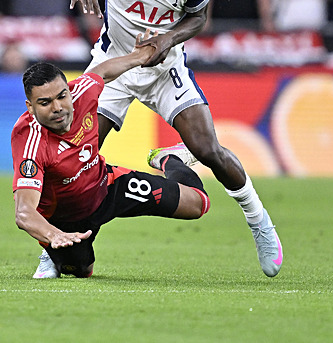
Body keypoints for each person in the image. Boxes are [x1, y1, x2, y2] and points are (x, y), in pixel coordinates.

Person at [43, 0, 284, 278]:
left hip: (165, 70)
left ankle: (260, 223)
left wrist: (166, 40)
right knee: (75, 162)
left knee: (208, 149)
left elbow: (198, 17)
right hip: (112, 69)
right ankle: (54, 249)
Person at [12, 30, 211, 279]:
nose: (58, 108)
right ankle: (50, 253)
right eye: (45, 103)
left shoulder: (82, 91)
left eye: (62, 96)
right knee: (82, 272)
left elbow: (103, 71)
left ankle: (171, 159)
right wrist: (54, 235)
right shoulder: (29, 140)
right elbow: (24, 212)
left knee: (198, 204)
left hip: (108, 186)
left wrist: (139, 57)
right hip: (69, 221)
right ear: (30, 107)